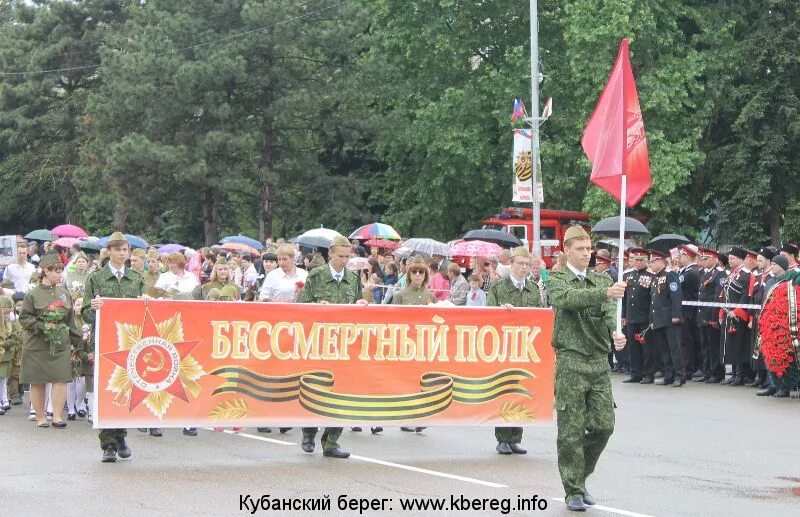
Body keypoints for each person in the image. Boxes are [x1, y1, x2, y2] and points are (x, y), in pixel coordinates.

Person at [546, 226, 627, 512]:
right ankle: (573, 490)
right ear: (567, 250)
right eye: (580, 249)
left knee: (604, 426)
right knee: (571, 430)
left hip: (598, 363)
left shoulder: (600, 279)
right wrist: (604, 293)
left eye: (588, 248)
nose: (586, 253)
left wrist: (616, 332)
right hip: (570, 362)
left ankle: (579, 475)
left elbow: (609, 313)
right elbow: (567, 299)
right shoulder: (557, 279)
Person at [296, 235, 367, 459]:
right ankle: (308, 432)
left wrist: (362, 305)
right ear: (330, 254)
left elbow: (358, 307)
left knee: (341, 392)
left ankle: (331, 442)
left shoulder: (354, 279)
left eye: (348, 257)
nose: (345, 261)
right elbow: (300, 307)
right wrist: (317, 306)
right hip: (318, 343)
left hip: (344, 344)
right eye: (341, 256)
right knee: (315, 389)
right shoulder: (316, 276)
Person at [82, 232, 148, 462]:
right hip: (104, 343)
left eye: (125, 250)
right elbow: (85, 315)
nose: (123, 253)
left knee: (125, 389)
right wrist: (93, 307)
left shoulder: (135, 278)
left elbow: (144, 315)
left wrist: (146, 302)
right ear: (109, 251)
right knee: (106, 390)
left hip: (130, 344)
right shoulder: (96, 279)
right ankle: (108, 443)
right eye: (118, 249)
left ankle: (120, 436)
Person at [487, 246, 542, 455]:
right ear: (511, 263)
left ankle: (515, 438)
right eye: (520, 264)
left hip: (526, 348)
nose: (524, 268)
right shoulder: (499, 287)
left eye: (527, 264)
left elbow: (539, 317)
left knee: (521, 392)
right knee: (504, 392)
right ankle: (502, 438)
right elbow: (488, 314)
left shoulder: (534, 289)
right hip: (504, 348)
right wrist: (501, 312)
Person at [19, 253, 83, 429]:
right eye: (56, 270)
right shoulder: (33, 294)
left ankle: (57, 416)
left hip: (60, 343)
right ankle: (41, 417)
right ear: (45, 271)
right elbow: (24, 318)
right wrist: (41, 325)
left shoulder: (64, 294)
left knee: (60, 379)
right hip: (37, 344)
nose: (59, 274)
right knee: (37, 380)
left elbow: (70, 321)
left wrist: (79, 343)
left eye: (61, 270)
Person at [393, 256, 435, 433]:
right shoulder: (400, 295)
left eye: (421, 272)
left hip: (424, 344)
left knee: (423, 382)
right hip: (406, 343)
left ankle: (420, 417)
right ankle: (405, 417)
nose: (417, 275)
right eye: (414, 271)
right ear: (409, 274)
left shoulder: (430, 295)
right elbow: (394, 321)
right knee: (407, 383)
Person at [648, 250, 685, 387]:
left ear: (659, 262)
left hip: (670, 319)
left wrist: (676, 315)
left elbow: (676, 296)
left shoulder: (670, 275)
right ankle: (669, 375)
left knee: (675, 348)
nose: (650, 264)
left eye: (652, 261)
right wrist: (652, 320)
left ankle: (679, 376)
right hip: (659, 319)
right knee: (664, 350)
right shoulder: (656, 277)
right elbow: (654, 301)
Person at [720, 247, 754, 386]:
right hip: (728, 313)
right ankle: (733, 374)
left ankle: (740, 374)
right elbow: (724, 294)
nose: (730, 261)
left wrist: (738, 311)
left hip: (739, 315)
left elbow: (747, 295)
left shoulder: (747, 275)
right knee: (730, 345)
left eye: (732, 258)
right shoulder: (731, 274)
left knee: (739, 345)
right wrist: (722, 312)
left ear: (741, 259)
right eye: (729, 258)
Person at [621, 248, 655, 384]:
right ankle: (636, 373)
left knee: (646, 347)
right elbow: (625, 297)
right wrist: (623, 315)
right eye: (636, 259)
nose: (638, 262)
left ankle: (648, 373)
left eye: (641, 260)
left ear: (646, 261)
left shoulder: (651, 275)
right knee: (633, 346)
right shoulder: (627, 275)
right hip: (631, 315)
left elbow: (653, 298)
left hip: (644, 316)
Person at [697, 249, 726, 383]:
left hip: (711, 314)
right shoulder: (703, 273)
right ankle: (706, 371)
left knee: (713, 346)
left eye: (706, 259)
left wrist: (714, 318)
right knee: (705, 345)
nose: (704, 261)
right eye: (703, 259)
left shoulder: (719, 274)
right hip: (702, 313)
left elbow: (717, 296)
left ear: (714, 259)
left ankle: (717, 373)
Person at [677, 246, 702, 379]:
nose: (679, 259)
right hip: (686, 310)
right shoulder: (686, 271)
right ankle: (689, 366)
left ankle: (689, 367)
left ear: (687, 257)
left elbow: (678, 286)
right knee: (686, 340)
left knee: (687, 341)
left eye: (681, 256)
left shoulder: (691, 272)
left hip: (688, 311)